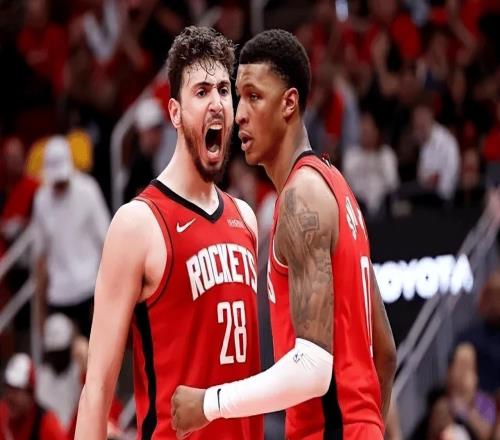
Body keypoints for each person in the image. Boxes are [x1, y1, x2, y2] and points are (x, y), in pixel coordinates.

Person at [171, 29, 397, 439]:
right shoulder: (336, 188)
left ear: (289, 103)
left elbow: (312, 366)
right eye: (238, 98)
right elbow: (385, 352)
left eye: (254, 97)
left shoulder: (300, 198)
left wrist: (209, 403)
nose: (239, 114)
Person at [75, 26, 263, 440]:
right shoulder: (137, 224)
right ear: (175, 113)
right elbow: (97, 390)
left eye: (223, 90)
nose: (216, 103)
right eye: (201, 92)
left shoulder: (246, 219)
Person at [32, 135, 110, 337]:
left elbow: (107, 243)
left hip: (89, 288)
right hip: (58, 295)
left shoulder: (88, 190)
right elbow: (41, 257)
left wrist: (105, 295)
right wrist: (40, 310)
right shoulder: (41, 200)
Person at [0, 353, 67, 440]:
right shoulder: (2, 413)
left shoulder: (46, 422)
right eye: (7, 387)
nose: (9, 396)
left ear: (30, 393)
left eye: (15, 390)